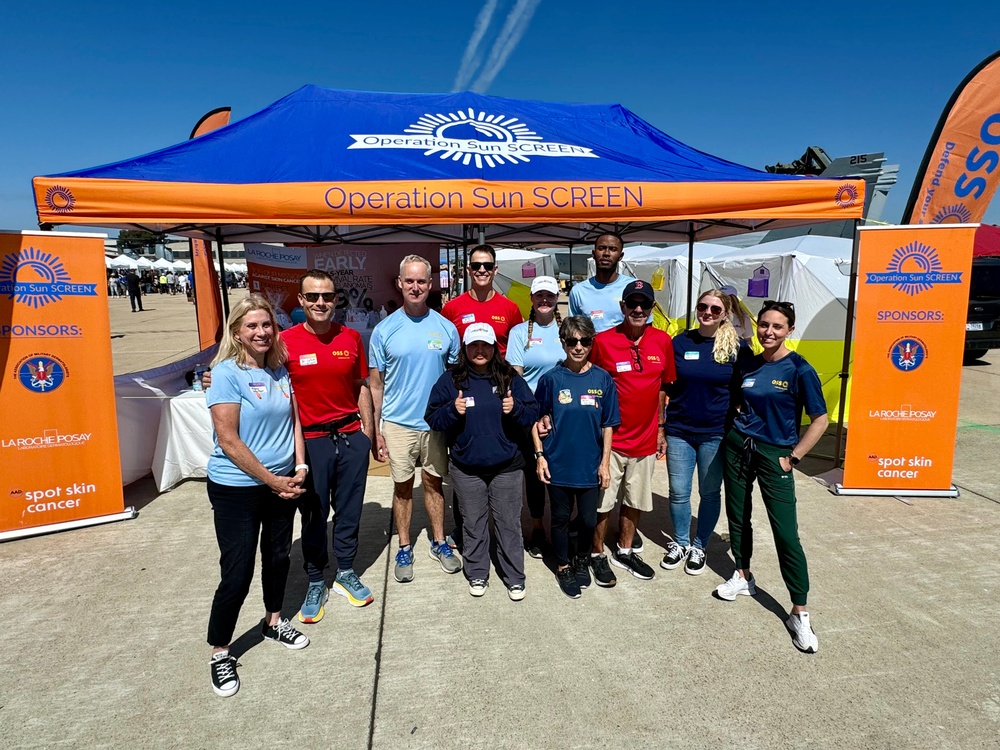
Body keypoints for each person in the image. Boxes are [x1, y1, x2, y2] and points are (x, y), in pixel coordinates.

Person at [204, 294, 309, 699]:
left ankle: (273, 620)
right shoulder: (225, 373)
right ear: (236, 332)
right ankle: (220, 650)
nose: (261, 332)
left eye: (266, 325)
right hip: (238, 488)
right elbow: (228, 440)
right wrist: (271, 480)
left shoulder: (280, 370)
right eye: (251, 326)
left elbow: (294, 423)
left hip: (282, 483)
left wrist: (298, 468)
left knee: (279, 557)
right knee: (238, 569)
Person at [716, 300, 828, 654]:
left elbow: (820, 420)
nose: (769, 332)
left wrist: (793, 458)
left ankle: (800, 611)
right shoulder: (748, 361)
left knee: (786, 533)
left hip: (775, 454)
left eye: (777, 327)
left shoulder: (799, 369)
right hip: (738, 446)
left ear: (789, 331)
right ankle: (743, 574)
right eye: (764, 325)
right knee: (738, 516)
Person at [283, 270, 379, 620]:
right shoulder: (285, 342)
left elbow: (361, 386)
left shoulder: (352, 337)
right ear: (301, 300)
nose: (321, 303)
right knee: (314, 514)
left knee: (350, 511)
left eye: (327, 296)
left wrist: (368, 433)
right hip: (312, 440)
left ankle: (345, 571)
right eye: (312, 297)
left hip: (351, 435)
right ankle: (314, 577)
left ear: (337, 299)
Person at [426, 323, 538, 600]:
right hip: (467, 467)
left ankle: (514, 577)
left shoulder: (509, 377)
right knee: (473, 524)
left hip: (506, 466)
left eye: (485, 345)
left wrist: (516, 409)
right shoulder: (450, 381)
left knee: (508, 524)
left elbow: (532, 412)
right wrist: (453, 410)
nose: (480, 350)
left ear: (494, 348)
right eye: (474, 345)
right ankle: (477, 572)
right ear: (465, 348)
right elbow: (433, 418)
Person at [370, 255, 463, 583]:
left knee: (434, 484)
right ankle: (405, 546)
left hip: (435, 424)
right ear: (399, 283)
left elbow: (455, 378)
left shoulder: (446, 328)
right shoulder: (384, 330)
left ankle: (439, 542)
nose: (415, 287)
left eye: (421, 281)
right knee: (403, 487)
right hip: (397, 424)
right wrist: (377, 429)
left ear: (430, 284)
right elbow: (376, 384)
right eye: (409, 281)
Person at [588, 279, 675, 584]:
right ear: (622, 306)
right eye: (632, 303)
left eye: (645, 304)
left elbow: (664, 387)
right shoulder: (603, 341)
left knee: (635, 500)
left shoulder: (663, 341)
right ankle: (597, 553)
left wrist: (661, 429)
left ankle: (624, 551)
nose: (638, 309)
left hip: (646, 438)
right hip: (610, 440)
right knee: (603, 502)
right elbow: (591, 381)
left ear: (652, 308)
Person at [661, 289, 751, 576]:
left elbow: (748, 387)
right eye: (703, 307)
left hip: (715, 432)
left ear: (724, 313)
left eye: (715, 309)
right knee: (678, 492)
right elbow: (667, 384)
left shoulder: (736, 347)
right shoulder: (681, 342)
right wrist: (661, 426)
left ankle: (700, 545)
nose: (707, 313)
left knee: (710, 493)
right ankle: (681, 542)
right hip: (679, 430)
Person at [533, 316, 619, 598]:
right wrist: (540, 456)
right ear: (563, 343)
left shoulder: (603, 379)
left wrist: (605, 463)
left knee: (587, 520)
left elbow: (608, 424)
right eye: (572, 341)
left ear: (592, 342)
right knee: (559, 518)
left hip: (589, 465)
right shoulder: (551, 380)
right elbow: (536, 419)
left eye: (585, 341)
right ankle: (563, 565)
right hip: (558, 463)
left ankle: (582, 558)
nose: (579, 347)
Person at [506, 276, 564, 557]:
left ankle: (561, 526)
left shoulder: (567, 330)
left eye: (549, 296)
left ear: (556, 299)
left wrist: (553, 414)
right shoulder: (519, 333)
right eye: (539, 296)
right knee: (534, 475)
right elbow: (515, 377)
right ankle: (538, 526)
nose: (544, 301)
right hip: (530, 414)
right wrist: (533, 415)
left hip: (562, 414)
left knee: (561, 473)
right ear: (531, 299)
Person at [441, 244, 523, 354]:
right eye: (476, 266)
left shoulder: (511, 308)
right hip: (464, 370)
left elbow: (517, 350)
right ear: (468, 270)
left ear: (495, 270)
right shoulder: (451, 308)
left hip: (500, 370)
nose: (482, 270)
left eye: (488, 266)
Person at [568, 233, 637, 334]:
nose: (606, 253)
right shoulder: (578, 291)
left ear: (620, 256)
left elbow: (646, 327)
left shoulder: (632, 287)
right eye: (601, 248)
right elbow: (574, 330)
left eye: (613, 249)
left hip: (624, 349)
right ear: (593, 253)